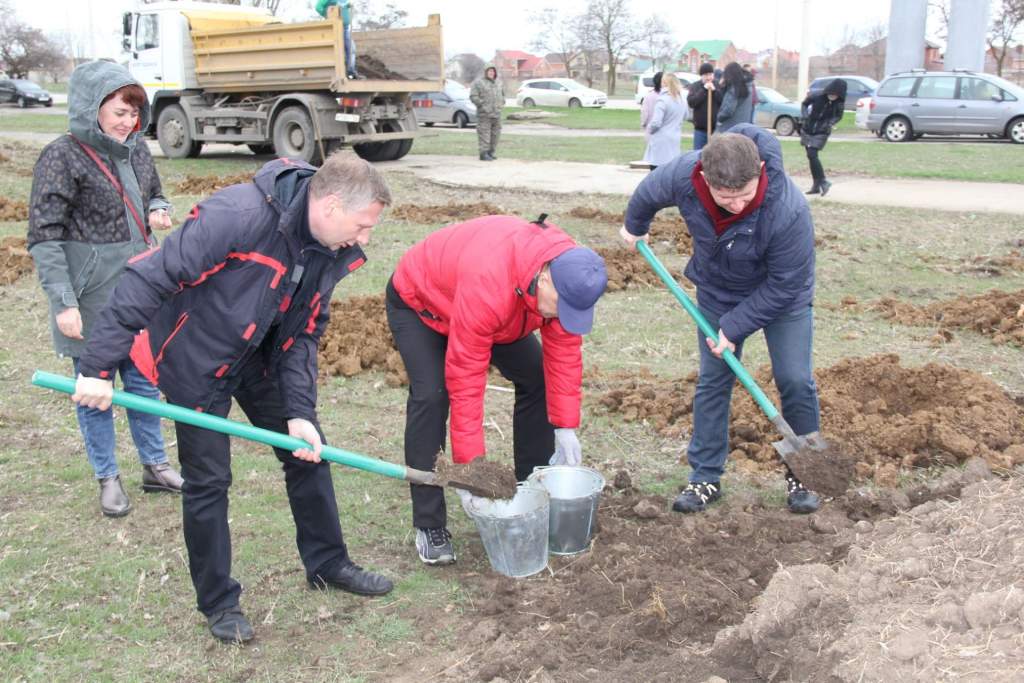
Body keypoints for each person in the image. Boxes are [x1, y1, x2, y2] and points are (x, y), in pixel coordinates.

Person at [71, 152, 395, 643]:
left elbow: (304, 333)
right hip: (197, 361)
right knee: (209, 481)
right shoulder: (237, 216)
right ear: (330, 205)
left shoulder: (327, 249)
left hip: (260, 357)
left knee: (308, 453)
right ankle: (220, 603)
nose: (365, 239)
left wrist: (300, 412)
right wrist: (97, 369)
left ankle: (327, 564)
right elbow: (147, 279)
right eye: (363, 225)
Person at [618, 125, 822, 516]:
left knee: (795, 378)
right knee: (714, 379)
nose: (737, 206)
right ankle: (705, 476)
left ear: (760, 170)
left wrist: (733, 327)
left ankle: (804, 472)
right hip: (717, 290)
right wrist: (635, 226)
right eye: (725, 197)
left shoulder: (788, 209)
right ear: (703, 178)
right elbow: (647, 193)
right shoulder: (684, 174)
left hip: (783, 296)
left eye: (744, 195)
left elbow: (784, 285)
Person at [386, 214, 607, 565]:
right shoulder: (489, 281)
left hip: (504, 314)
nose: (565, 316)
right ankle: (430, 525)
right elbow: (467, 381)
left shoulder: (571, 280)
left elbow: (563, 356)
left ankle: (531, 490)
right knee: (433, 394)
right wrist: (470, 471)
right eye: (561, 308)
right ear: (545, 278)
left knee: (537, 377)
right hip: (423, 303)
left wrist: (565, 426)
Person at [28, 61, 182, 518]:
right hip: (91, 298)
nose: (128, 121)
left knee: (143, 383)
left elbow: (155, 191)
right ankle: (107, 477)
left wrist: (158, 208)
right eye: (119, 111)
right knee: (95, 388)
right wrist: (63, 302)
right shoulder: (62, 155)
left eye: (134, 113)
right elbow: (44, 235)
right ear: (90, 107)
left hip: (140, 289)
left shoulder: (136, 150)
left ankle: (155, 466)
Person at [800, 78, 847, 196]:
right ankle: (816, 185)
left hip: (822, 131)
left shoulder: (839, 103)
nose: (833, 96)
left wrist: (830, 123)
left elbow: (838, 116)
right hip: (808, 128)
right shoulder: (817, 96)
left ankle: (823, 181)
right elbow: (804, 104)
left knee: (812, 154)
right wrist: (805, 116)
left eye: (836, 95)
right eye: (831, 93)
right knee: (810, 156)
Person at [643, 72, 687, 170]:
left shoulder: (662, 100)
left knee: (656, 171)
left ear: (664, 83)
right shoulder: (681, 99)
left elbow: (656, 123)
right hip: (675, 137)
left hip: (661, 141)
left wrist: (650, 129)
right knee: (670, 170)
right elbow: (686, 115)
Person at [316, 0, 358, 79]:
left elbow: (343, 5)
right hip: (336, 27)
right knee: (340, 50)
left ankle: (350, 71)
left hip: (345, 28)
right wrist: (327, 15)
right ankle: (342, 72)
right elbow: (318, 7)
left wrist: (348, 5)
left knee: (351, 49)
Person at [470, 66, 504, 161]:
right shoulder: (479, 83)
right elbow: (473, 96)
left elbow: (502, 95)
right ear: (485, 72)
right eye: (489, 71)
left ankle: (490, 152)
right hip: (484, 114)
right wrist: (482, 105)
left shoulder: (498, 83)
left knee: (495, 135)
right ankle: (483, 154)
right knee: (484, 134)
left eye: (493, 71)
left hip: (497, 113)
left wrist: (502, 103)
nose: (491, 72)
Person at [687, 63, 721, 151]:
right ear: (701, 76)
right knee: (698, 156)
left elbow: (722, 101)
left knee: (715, 155)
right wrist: (704, 90)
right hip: (700, 130)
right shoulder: (695, 86)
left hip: (715, 130)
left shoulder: (718, 85)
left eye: (710, 74)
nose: (708, 77)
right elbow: (691, 102)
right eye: (706, 75)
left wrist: (714, 91)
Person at [716, 62, 754, 133]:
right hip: (743, 128)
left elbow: (728, 110)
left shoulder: (734, 89)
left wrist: (718, 118)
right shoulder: (748, 86)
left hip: (730, 128)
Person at [640, 70, 663, 149]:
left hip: (651, 130)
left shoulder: (649, 96)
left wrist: (643, 124)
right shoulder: (668, 96)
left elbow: (644, 113)